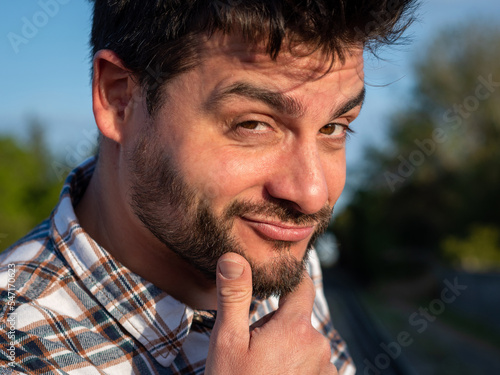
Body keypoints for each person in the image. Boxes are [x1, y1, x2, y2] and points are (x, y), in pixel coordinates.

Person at [0, 1, 416, 373]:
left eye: (333, 127)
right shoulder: (19, 353)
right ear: (118, 99)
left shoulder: (269, 245)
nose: (310, 193)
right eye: (253, 124)